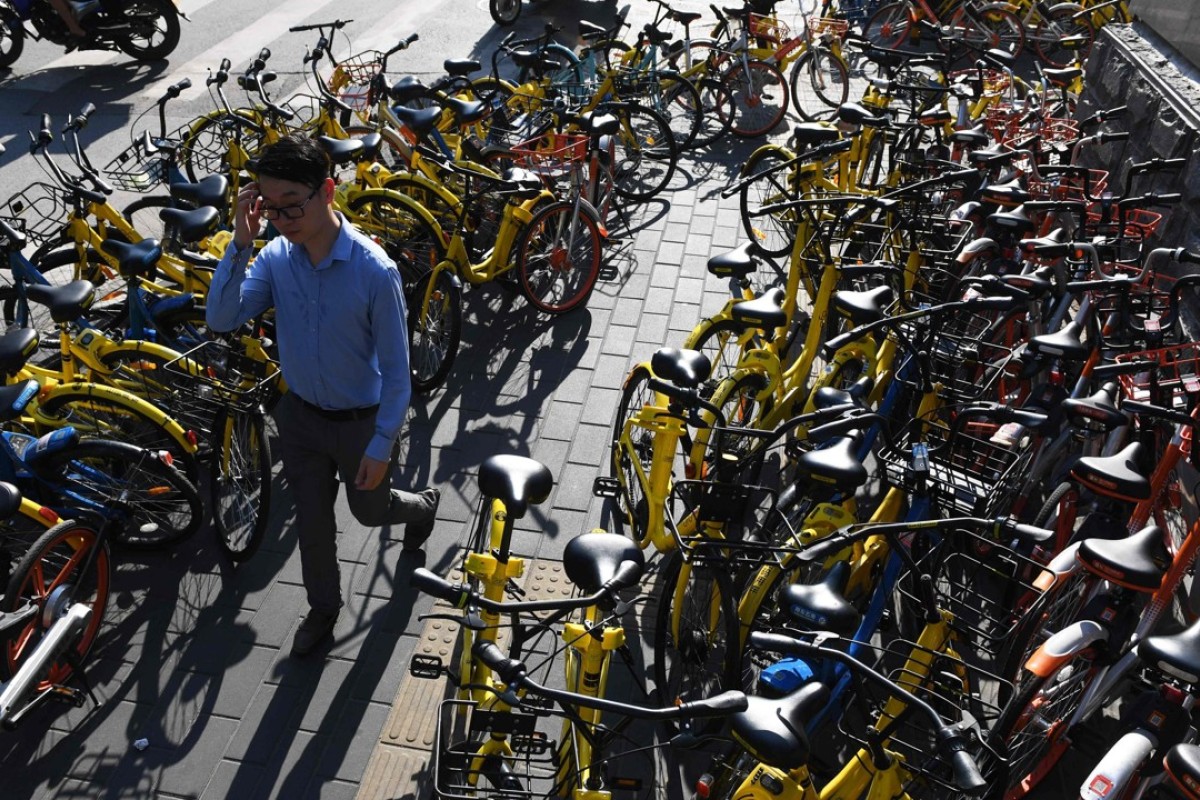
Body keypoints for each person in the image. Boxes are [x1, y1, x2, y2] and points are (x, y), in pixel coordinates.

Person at [206, 134, 440, 657]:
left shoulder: (373, 271)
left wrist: (382, 445)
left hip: (362, 423)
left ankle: (421, 506)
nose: (283, 218)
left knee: (370, 512)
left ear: (328, 191)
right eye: (271, 207)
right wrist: (239, 243)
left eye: (294, 204)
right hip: (301, 420)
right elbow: (222, 318)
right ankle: (323, 610)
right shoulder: (273, 258)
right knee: (314, 526)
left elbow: (400, 376)